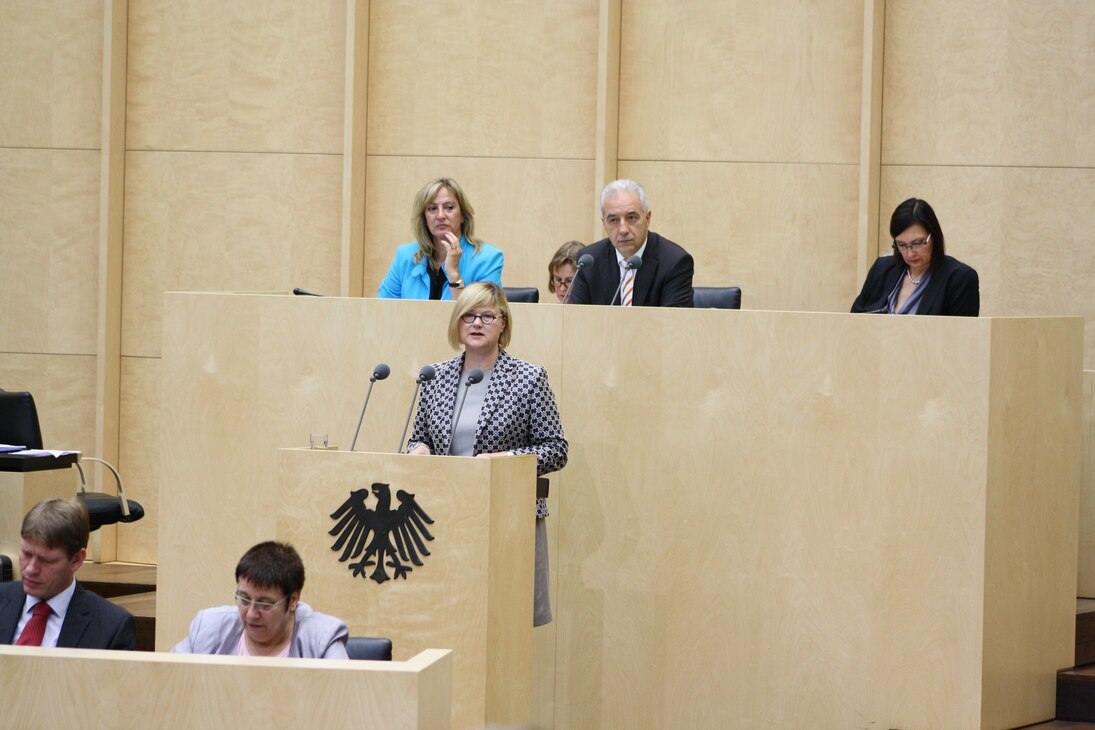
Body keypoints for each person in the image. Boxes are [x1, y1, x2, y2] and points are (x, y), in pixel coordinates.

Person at [406, 282, 567, 626]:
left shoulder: (528, 378)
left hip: (506, 514)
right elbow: (418, 437)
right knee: (446, 614)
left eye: (487, 316)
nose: (477, 323)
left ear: (503, 323)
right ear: (457, 323)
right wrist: (416, 449)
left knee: (503, 619)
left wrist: (505, 460)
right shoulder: (436, 376)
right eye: (469, 316)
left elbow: (555, 449)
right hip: (444, 512)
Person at [172, 541, 349, 658]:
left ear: (293, 600)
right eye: (244, 599)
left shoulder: (321, 640)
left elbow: (342, 702)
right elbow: (169, 684)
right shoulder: (207, 629)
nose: (250, 615)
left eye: (264, 604)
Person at [0, 498, 135, 649]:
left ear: (76, 560)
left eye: (46, 560)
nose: (31, 569)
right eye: (26, 554)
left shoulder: (111, 626)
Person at [567, 179, 694, 307]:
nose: (623, 229)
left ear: (647, 218)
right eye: (613, 220)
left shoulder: (674, 262)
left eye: (631, 218)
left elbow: (675, 324)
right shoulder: (589, 262)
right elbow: (576, 320)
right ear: (604, 224)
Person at [378, 177, 504, 300]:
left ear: (463, 216)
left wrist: (453, 273)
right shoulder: (405, 256)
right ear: (424, 219)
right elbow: (382, 310)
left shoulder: (488, 259)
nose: (440, 215)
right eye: (432, 209)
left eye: (449, 207)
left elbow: (481, 316)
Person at [851, 198, 979, 316]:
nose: (910, 253)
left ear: (933, 237)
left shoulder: (960, 278)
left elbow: (963, 336)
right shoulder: (881, 269)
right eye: (901, 244)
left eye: (917, 243)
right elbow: (854, 321)